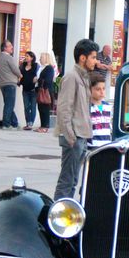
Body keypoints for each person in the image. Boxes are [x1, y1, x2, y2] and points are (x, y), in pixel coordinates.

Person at [54, 38, 98, 200]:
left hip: (82, 135)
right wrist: (70, 137)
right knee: (67, 180)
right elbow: (64, 108)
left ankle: (67, 214)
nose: (96, 61)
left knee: (73, 180)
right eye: (93, 57)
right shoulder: (71, 77)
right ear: (82, 57)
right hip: (74, 136)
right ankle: (58, 215)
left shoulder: (84, 77)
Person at [0, 40, 21, 129]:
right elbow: (15, 69)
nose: (12, 47)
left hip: (2, 83)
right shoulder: (8, 57)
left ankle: (14, 123)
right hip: (10, 83)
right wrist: (20, 75)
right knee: (9, 105)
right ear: (5, 48)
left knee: (8, 104)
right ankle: (6, 124)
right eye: (10, 46)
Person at [88, 73, 112, 148]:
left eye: (103, 88)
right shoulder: (87, 108)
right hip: (92, 147)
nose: (102, 92)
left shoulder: (108, 107)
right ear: (90, 90)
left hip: (107, 146)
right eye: (98, 89)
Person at [35, 51, 56, 133]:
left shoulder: (49, 68)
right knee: (40, 108)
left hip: (46, 91)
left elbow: (48, 79)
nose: (40, 59)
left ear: (46, 59)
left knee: (45, 109)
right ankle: (42, 125)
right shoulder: (42, 68)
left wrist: (38, 79)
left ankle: (45, 126)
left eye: (41, 58)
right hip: (40, 90)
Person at [19, 50, 39, 131]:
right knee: (26, 106)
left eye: (27, 56)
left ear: (32, 58)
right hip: (25, 89)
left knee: (33, 107)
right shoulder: (23, 65)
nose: (26, 57)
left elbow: (39, 74)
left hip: (33, 89)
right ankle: (28, 122)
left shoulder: (36, 66)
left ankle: (31, 123)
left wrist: (37, 79)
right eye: (25, 56)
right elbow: (19, 74)